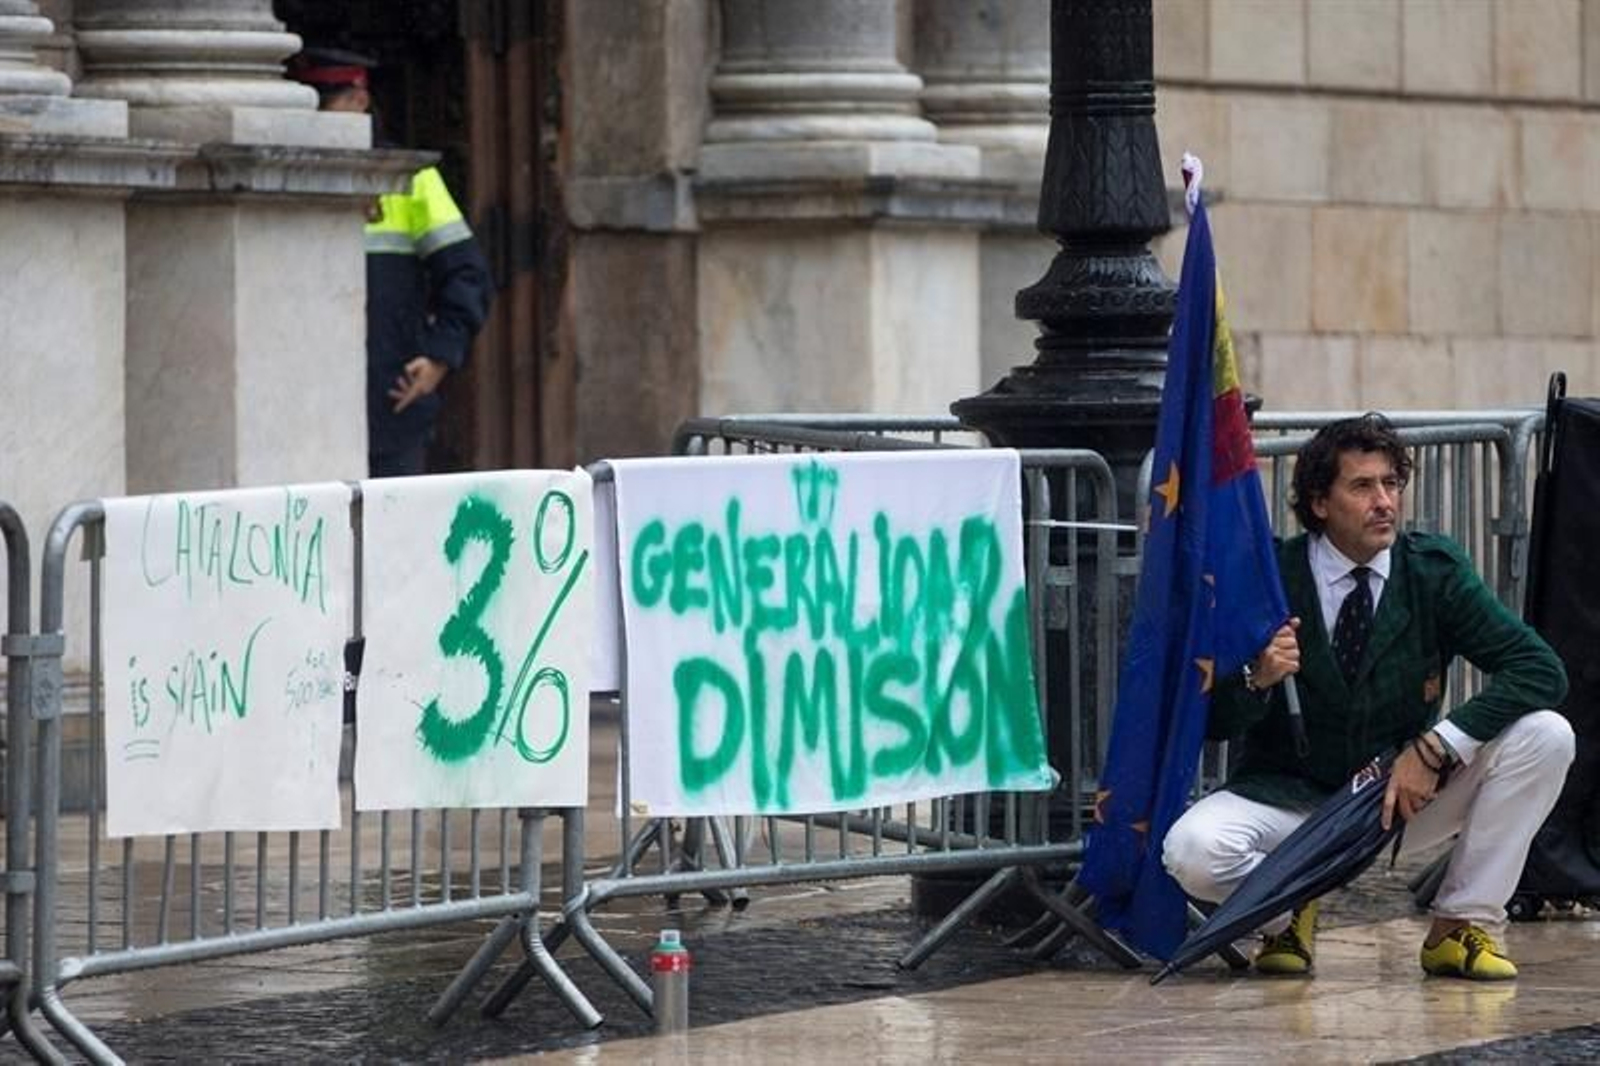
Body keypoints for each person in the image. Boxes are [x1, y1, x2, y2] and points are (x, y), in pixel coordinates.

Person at [1163, 413, 1573, 981]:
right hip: (1290, 801)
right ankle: (1287, 916)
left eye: (1391, 484)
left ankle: (1459, 924)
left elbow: (1539, 668)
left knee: (1548, 734)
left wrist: (1435, 748)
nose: (1384, 502)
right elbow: (1213, 722)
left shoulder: (1431, 571)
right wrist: (1257, 676)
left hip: (1398, 799)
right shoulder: (1271, 575)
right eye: (1362, 486)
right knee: (1191, 850)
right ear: (1320, 503)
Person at [288, 47, 494, 477]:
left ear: (359, 101)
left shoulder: (411, 180)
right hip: (302, 404)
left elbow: (467, 273)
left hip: (390, 402)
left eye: (326, 106)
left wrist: (440, 356)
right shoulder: (289, 174)